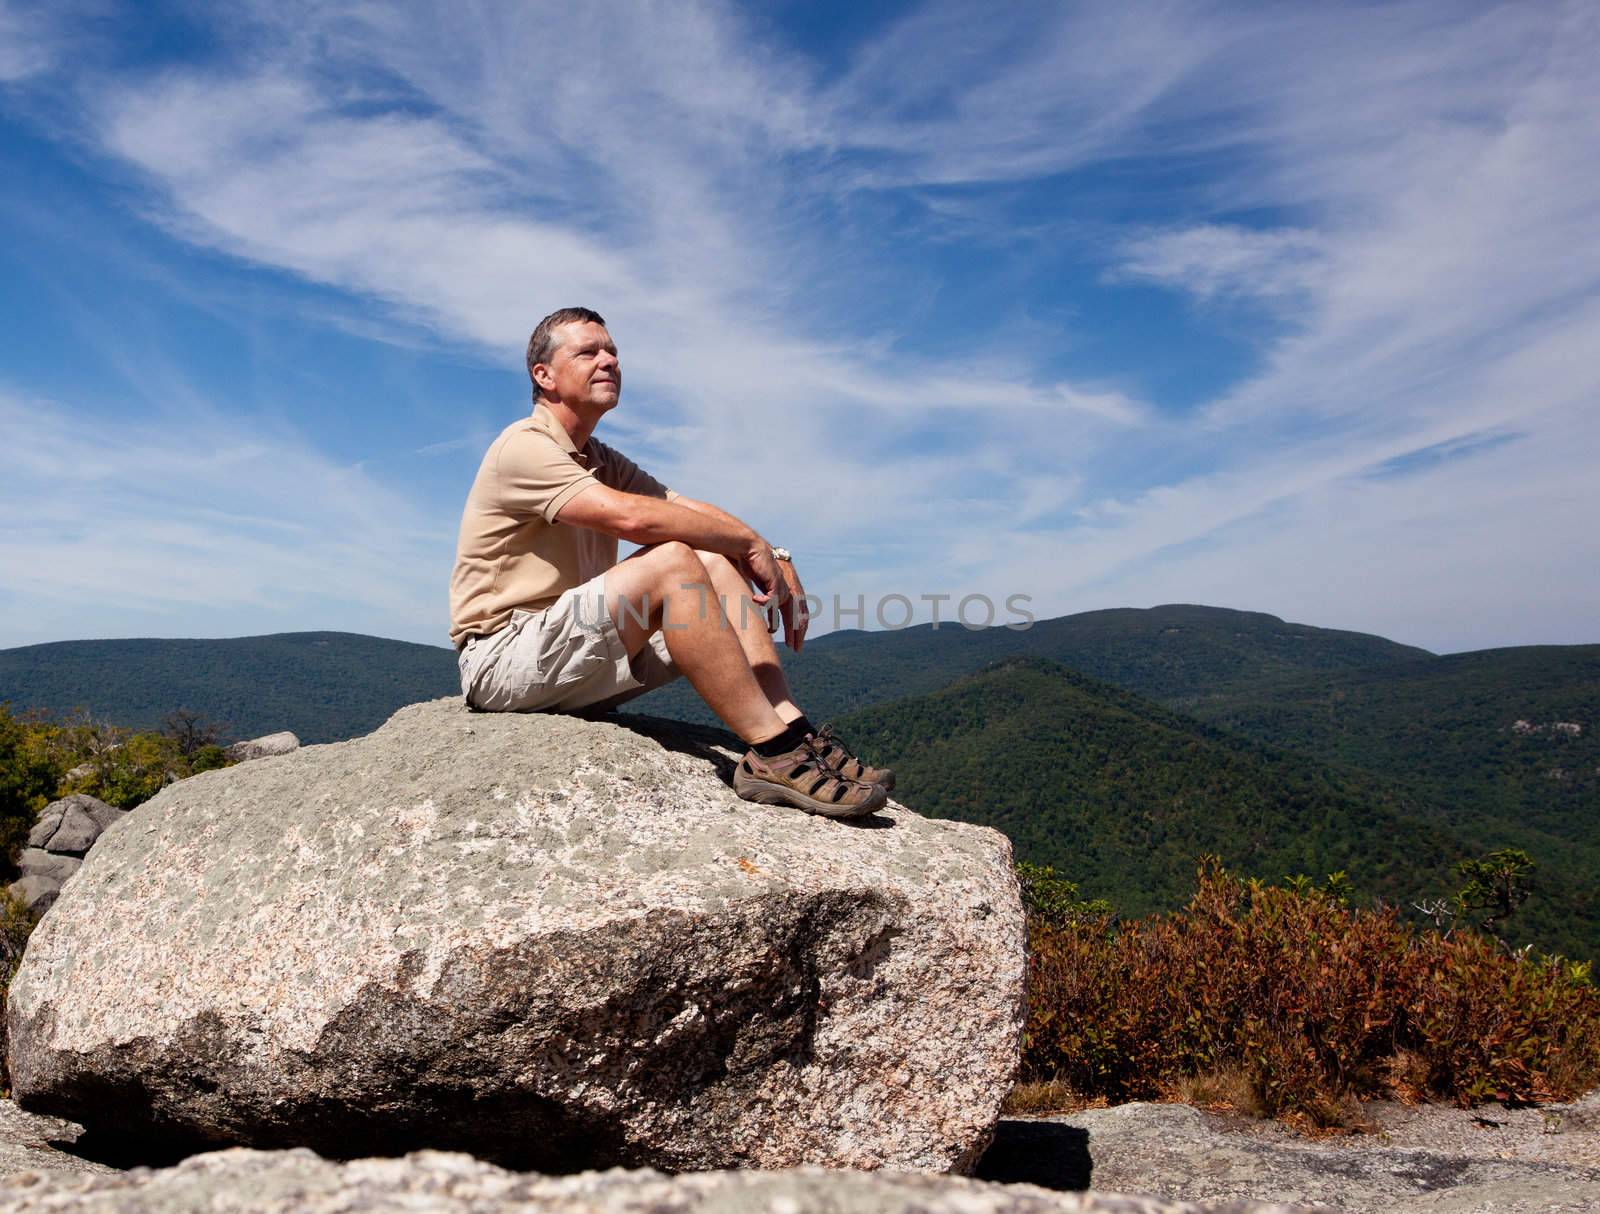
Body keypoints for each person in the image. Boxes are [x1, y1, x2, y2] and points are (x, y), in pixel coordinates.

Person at [449, 307, 893, 819]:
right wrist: (751, 543)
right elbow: (635, 520)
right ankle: (770, 754)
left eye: (612, 351)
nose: (609, 361)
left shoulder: (597, 457)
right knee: (674, 560)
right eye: (588, 352)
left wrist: (766, 551)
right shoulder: (523, 448)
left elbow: (681, 508)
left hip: (566, 662)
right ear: (543, 375)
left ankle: (792, 732)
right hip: (503, 662)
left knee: (710, 555)